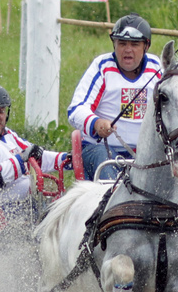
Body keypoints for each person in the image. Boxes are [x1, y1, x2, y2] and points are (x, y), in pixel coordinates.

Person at [0, 83, 72, 240]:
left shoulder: (8, 135)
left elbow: (36, 157)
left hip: (24, 207)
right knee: (52, 237)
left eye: (1, 111)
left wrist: (68, 159)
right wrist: (20, 159)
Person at [66, 14, 162, 182]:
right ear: (114, 44)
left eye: (134, 44)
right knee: (108, 171)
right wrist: (96, 123)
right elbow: (76, 109)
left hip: (146, 153)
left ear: (146, 46)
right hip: (101, 149)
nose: (127, 49)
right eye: (122, 43)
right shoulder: (102, 67)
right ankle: (115, 203)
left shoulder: (157, 68)